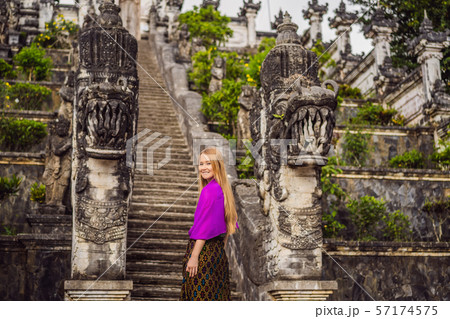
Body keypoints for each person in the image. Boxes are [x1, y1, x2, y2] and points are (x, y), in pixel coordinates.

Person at [180, 147, 239, 301]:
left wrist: (194, 256)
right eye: (201, 164)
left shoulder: (209, 191)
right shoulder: (223, 190)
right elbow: (228, 226)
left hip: (203, 254)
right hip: (218, 255)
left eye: (208, 163)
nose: (203, 168)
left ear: (217, 165)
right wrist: (218, 250)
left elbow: (204, 228)